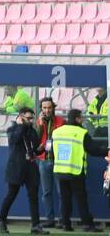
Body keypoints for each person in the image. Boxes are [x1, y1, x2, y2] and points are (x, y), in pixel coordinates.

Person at [51, 108, 108, 232]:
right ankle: (87, 224)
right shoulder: (82, 132)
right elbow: (93, 150)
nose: (83, 119)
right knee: (81, 198)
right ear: (77, 119)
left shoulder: (56, 132)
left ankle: (66, 224)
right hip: (76, 171)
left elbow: (52, 151)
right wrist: (107, 151)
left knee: (65, 198)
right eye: (81, 117)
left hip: (60, 170)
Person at [0, 106, 45, 234]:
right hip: (16, 167)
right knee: (11, 194)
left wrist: (41, 149)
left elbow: (34, 148)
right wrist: (21, 126)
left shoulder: (32, 131)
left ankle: (35, 225)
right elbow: (14, 140)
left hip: (30, 166)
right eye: (28, 118)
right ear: (21, 117)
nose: (30, 121)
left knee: (33, 196)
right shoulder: (12, 129)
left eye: (32, 118)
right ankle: (1, 219)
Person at [35, 96, 65, 227]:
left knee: (61, 191)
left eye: (49, 108)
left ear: (53, 108)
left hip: (58, 161)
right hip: (43, 161)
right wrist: (41, 125)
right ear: (41, 109)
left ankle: (63, 219)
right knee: (46, 192)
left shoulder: (61, 121)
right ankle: (50, 219)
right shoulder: (39, 121)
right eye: (44, 108)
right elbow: (36, 139)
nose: (47, 110)